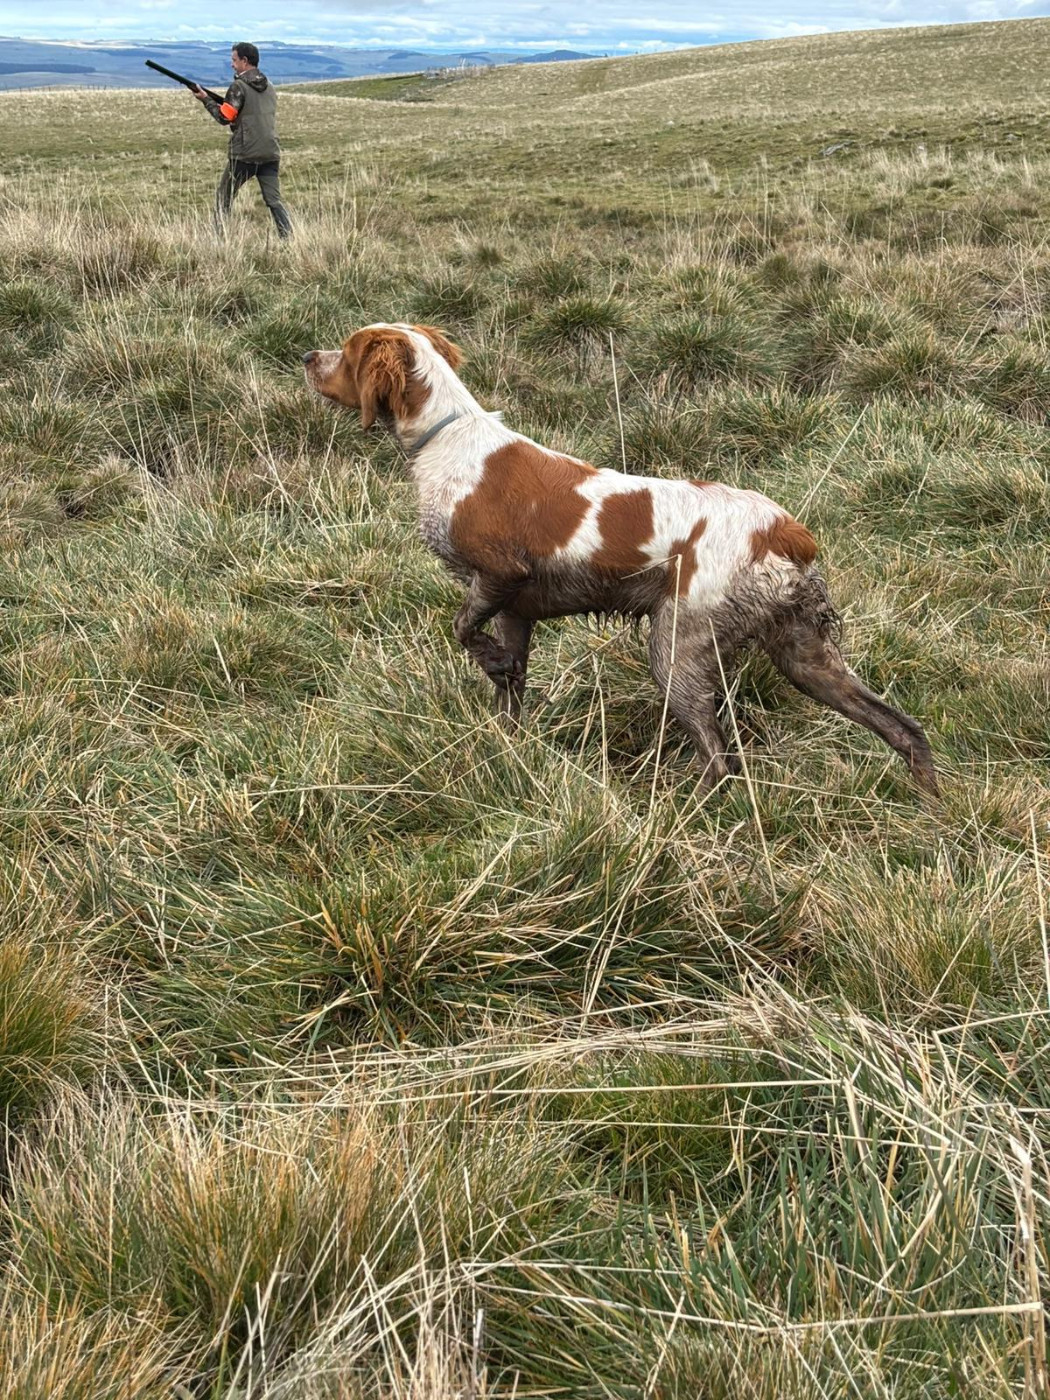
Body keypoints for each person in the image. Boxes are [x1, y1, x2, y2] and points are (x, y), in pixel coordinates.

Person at [193, 42, 293, 240]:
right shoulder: (270, 86)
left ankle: (218, 241)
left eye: (234, 60)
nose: (232, 64)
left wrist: (205, 99)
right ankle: (288, 238)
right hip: (270, 153)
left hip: (245, 155)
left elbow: (225, 118)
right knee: (274, 201)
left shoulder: (238, 87)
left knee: (224, 197)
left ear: (245, 61)